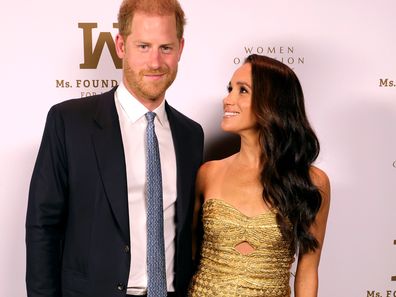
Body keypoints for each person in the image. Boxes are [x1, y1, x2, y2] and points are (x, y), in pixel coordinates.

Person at [25, 0, 204, 296]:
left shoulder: (190, 134)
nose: (155, 62)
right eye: (143, 46)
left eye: (166, 48)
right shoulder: (70, 122)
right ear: (121, 46)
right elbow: (43, 227)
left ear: (181, 48)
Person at [189, 54, 330, 297]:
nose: (227, 99)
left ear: (273, 102)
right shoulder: (208, 173)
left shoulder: (312, 182)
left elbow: (307, 271)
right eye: (230, 89)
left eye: (242, 90)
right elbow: (188, 257)